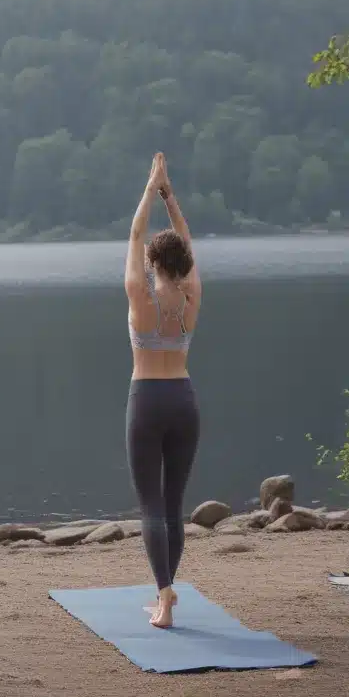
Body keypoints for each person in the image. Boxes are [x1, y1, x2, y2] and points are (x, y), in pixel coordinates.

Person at [125, 153, 202, 629]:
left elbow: (135, 235)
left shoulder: (139, 295)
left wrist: (148, 188)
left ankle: (165, 594)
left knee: (150, 504)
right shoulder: (193, 296)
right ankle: (166, 591)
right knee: (174, 501)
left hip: (147, 401)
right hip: (184, 401)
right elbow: (186, 241)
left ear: (153, 261)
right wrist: (170, 195)